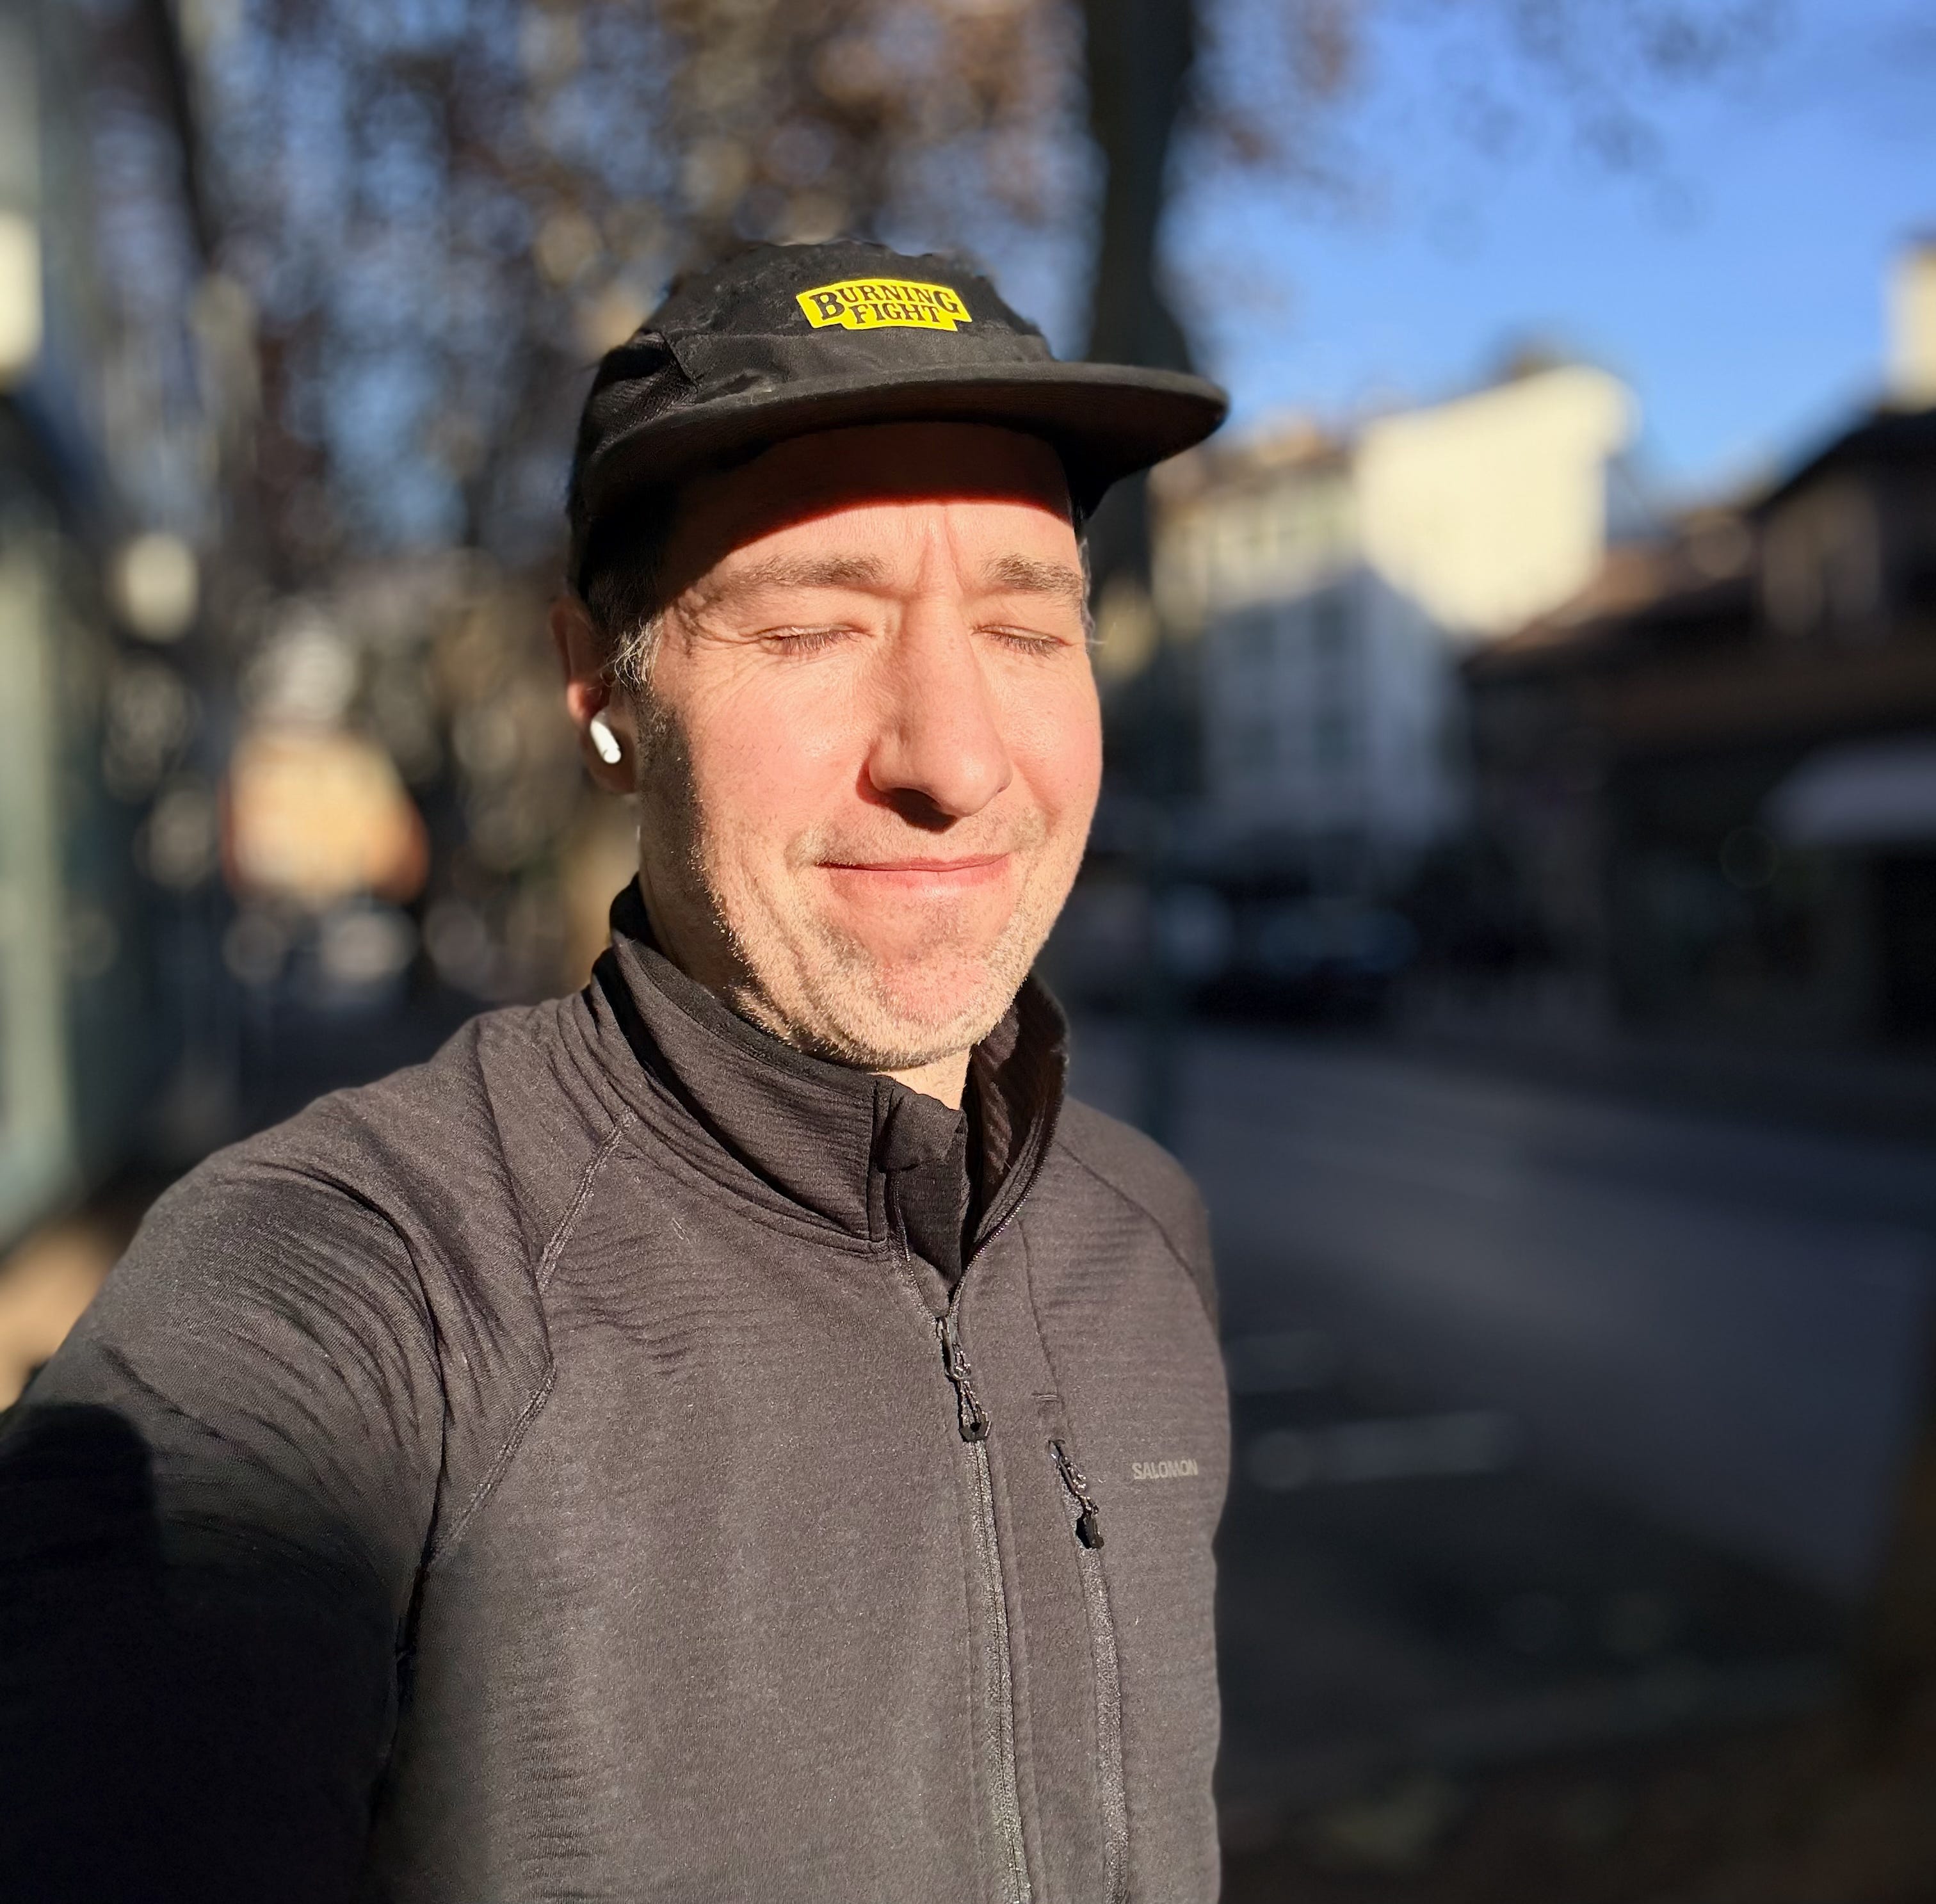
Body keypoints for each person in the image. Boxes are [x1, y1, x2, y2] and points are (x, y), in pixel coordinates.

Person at [1, 239, 1230, 1903]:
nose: (953, 757)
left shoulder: (1141, 1237)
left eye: (1027, 627)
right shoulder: (356, 1285)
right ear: (603, 688)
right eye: (811, 626)